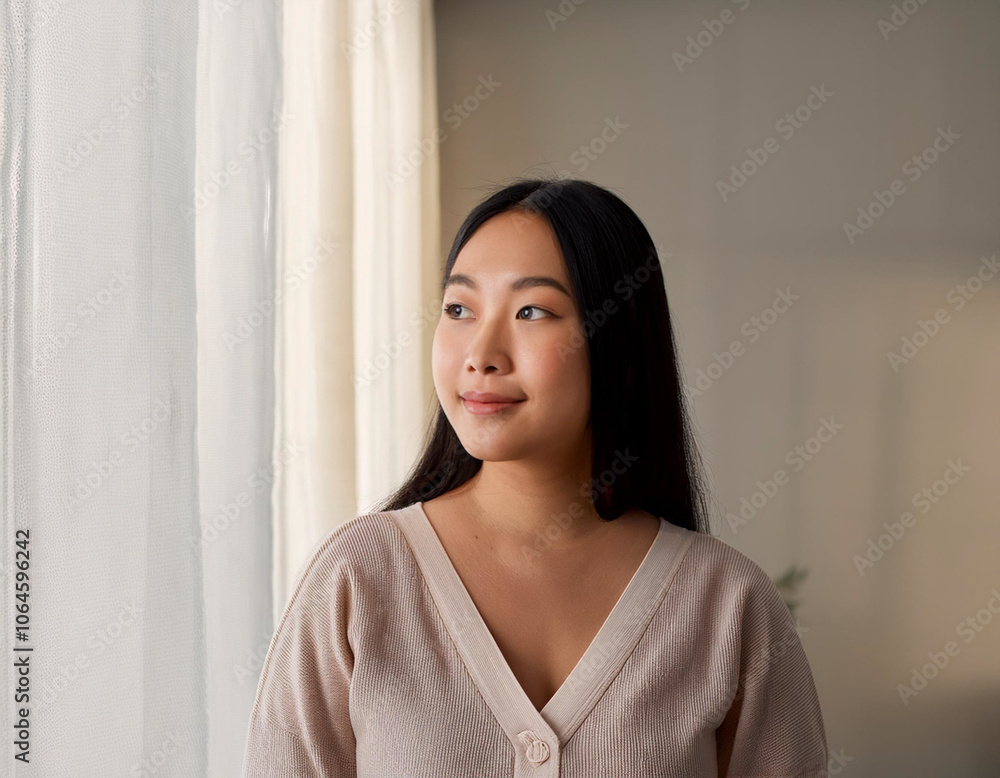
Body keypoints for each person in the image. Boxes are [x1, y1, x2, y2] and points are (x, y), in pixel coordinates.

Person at [241, 177, 830, 777]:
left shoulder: (729, 605)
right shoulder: (356, 580)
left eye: (531, 311)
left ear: (621, 351)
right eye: (459, 309)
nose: (482, 353)